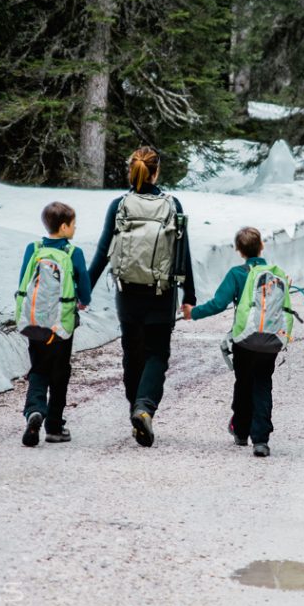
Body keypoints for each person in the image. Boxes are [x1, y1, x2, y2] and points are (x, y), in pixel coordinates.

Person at [88, 146, 196, 447]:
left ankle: (135, 408)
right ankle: (144, 407)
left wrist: (84, 290)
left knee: (132, 355)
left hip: (127, 293)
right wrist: (190, 295)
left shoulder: (119, 204)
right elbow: (182, 253)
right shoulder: (172, 204)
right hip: (161, 294)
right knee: (157, 354)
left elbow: (101, 252)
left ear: (131, 170)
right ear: (156, 171)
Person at [182, 227, 278, 458]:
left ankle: (241, 430)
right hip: (270, 339)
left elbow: (218, 303)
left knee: (243, 383)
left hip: (244, 340)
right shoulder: (274, 274)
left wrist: (192, 313)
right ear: (262, 246)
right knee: (263, 384)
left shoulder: (237, 274)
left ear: (238, 250)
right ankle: (261, 440)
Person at [17, 201, 91, 447]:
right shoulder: (73, 253)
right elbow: (85, 288)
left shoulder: (33, 248)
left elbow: (23, 281)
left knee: (38, 368)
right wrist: (82, 301)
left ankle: (35, 411)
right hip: (61, 326)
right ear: (63, 226)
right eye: (73, 224)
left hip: (35, 321)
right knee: (60, 372)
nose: (75, 228)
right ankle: (54, 427)